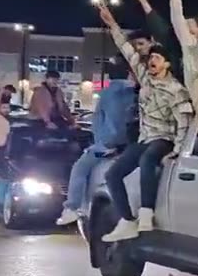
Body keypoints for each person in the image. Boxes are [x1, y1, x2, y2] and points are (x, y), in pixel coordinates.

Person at [97, 1, 194, 241]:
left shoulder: (176, 90)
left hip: (165, 138)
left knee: (148, 157)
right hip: (145, 136)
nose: (152, 61)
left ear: (167, 64)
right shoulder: (145, 79)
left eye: (157, 58)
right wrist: (112, 23)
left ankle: (146, 214)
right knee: (112, 174)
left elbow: (183, 121)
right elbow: (128, 50)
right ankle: (127, 220)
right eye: (151, 58)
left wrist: (179, 150)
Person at [57, 57, 138, 225]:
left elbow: (106, 121)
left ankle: (72, 207)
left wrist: (105, 143)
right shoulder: (136, 91)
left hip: (109, 144)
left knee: (80, 167)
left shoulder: (109, 93)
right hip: (132, 143)